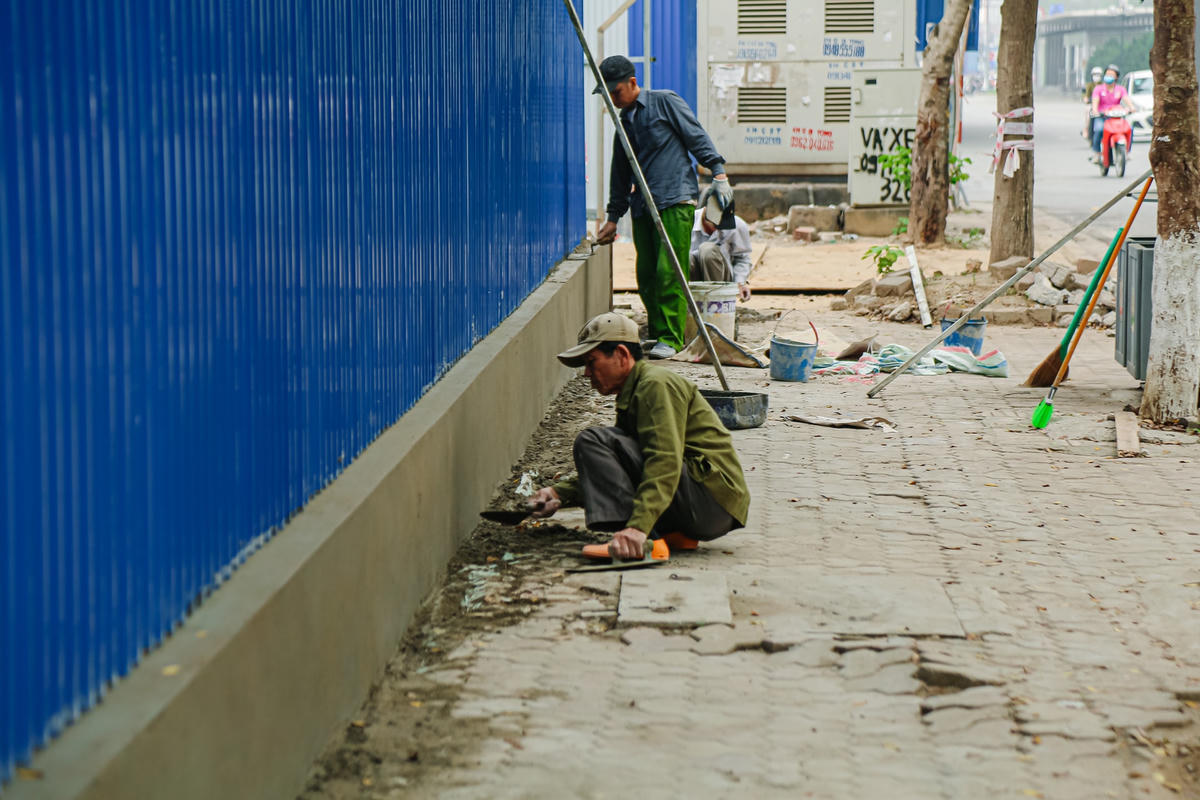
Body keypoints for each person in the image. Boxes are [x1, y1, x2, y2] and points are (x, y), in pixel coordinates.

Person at [526, 312, 750, 560]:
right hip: (707, 503)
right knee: (608, 445)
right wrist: (558, 494)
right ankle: (672, 535)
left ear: (622, 355)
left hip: (711, 503)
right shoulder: (634, 390)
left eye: (592, 362)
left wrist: (638, 527)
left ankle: (638, 541)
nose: (587, 373)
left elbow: (664, 461)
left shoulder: (655, 385)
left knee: (592, 441)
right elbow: (621, 468)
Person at [592, 55, 733, 360]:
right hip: (643, 205)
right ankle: (657, 333)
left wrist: (718, 173)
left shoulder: (664, 102)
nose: (613, 99)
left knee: (668, 269)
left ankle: (671, 336)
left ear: (632, 83)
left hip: (674, 199)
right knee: (647, 272)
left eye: (616, 92)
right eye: (607, 95)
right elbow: (620, 172)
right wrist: (613, 218)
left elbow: (695, 135)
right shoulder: (624, 123)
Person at [689, 208, 753, 302]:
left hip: (721, 280)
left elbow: (742, 259)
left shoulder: (737, 225)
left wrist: (740, 283)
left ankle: (716, 301)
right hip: (694, 280)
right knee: (686, 258)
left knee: (707, 250)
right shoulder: (688, 221)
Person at [1090, 64, 1135, 163]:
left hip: (1117, 117)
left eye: (1111, 74)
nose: (1108, 76)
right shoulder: (1098, 89)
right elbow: (1095, 102)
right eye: (1107, 74)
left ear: (1116, 77)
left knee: (1129, 129)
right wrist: (1095, 110)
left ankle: (1127, 152)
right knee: (1098, 129)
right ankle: (1097, 153)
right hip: (1102, 117)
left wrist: (1131, 108)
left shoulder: (1120, 89)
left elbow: (1127, 100)